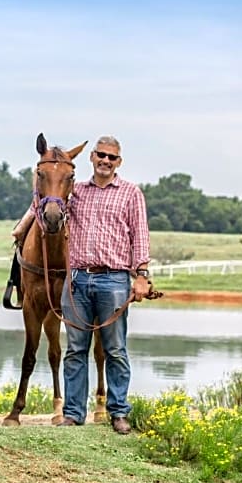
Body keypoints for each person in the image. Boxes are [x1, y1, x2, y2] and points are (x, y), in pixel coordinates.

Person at [56, 136, 151, 434]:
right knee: (75, 349)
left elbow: (140, 235)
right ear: (92, 157)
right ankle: (72, 413)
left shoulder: (130, 193)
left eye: (112, 157)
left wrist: (142, 275)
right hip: (78, 279)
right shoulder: (77, 191)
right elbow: (48, 205)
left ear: (118, 162)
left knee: (115, 349)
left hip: (114, 279)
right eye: (101, 155)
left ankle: (118, 412)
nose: (105, 161)